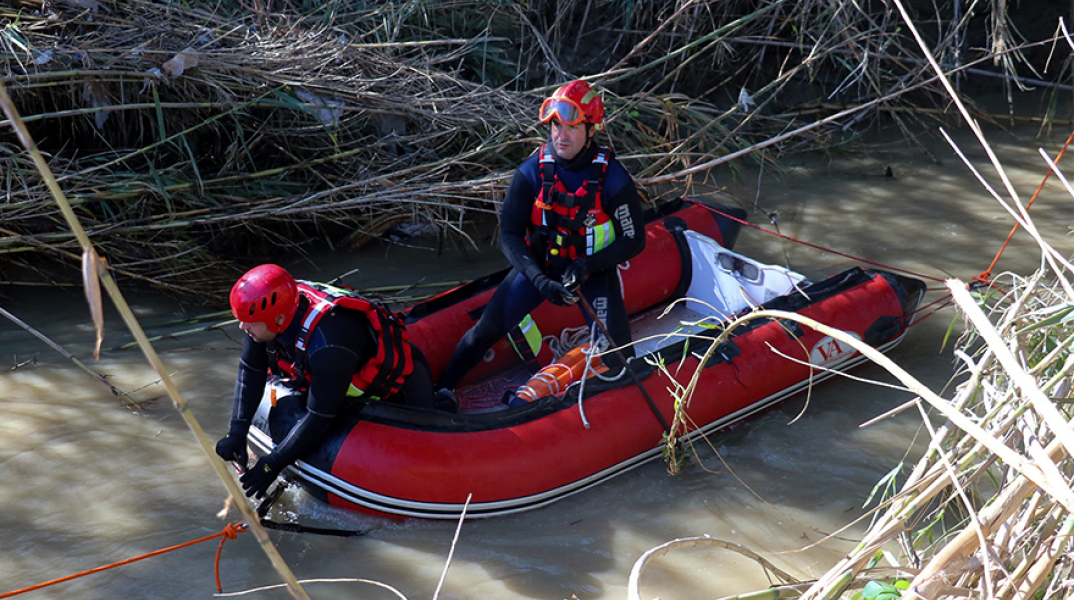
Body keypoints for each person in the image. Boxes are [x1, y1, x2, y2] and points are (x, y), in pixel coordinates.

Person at [435, 79, 646, 404]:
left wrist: (587, 264)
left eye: (571, 128)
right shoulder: (531, 172)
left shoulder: (615, 180)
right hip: (540, 271)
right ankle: (443, 391)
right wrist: (539, 280)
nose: (561, 136)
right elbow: (508, 235)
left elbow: (634, 240)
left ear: (591, 131)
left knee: (618, 357)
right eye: (556, 126)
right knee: (484, 332)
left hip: (593, 275)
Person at [215, 264, 437, 499]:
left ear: (279, 318)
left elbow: (318, 417)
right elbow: (251, 369)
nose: (242, 326)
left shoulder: (328, 346)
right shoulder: (270, 317)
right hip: (338, 386)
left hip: (400, 386)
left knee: (427, 449)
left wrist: (273, 463)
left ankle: (444, 399)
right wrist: (237, 430)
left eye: (247, 322)